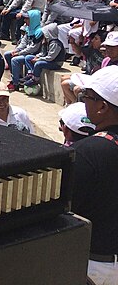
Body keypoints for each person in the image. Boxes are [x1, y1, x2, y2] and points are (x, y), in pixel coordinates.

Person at [70, 66, 118, 285]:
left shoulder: (87, 152)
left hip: (95, 267)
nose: (83, 101)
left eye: (86, 96)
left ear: (102, 107)